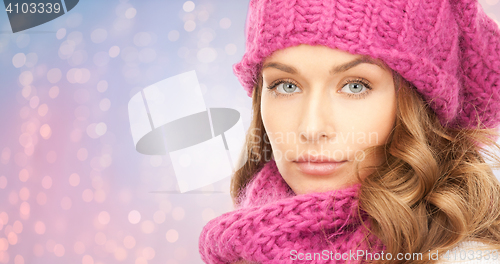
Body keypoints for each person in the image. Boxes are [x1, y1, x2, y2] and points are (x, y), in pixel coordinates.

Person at [199, 0, 500, 263]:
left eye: (355, 86)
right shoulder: (243, 244)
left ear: (419, 105)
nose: (312, 128)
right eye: (286, 86)